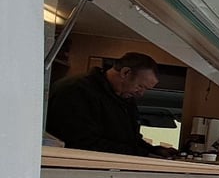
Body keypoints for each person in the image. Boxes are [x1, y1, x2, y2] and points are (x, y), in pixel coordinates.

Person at [46, 52, 176, 157]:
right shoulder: (76, 90)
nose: (141, 93)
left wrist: (154, 150)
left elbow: (130, 140)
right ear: (125, 73)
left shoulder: (125, 99)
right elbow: (82, 143)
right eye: (140, 86)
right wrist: (143, 153)